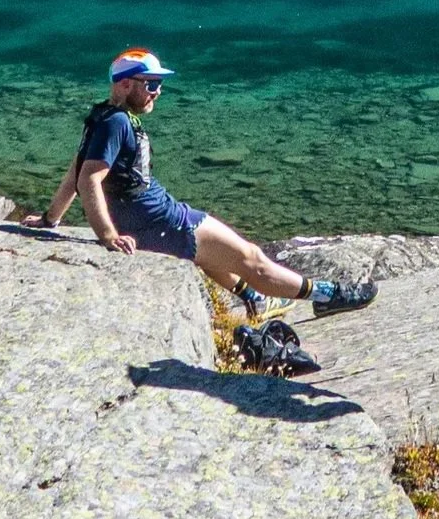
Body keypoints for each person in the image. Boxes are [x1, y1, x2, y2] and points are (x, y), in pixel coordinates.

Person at [24, 50, 370, 322]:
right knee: (252, 259)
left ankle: (253, 298)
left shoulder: (101, 117)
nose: (157, 93)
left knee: (209, 252)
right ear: (126, 84)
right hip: (162, 222)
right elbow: (88, 179)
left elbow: (75, 170)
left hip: (156, 218)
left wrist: (51, 219)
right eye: (151, 84)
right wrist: (108, 236)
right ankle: (328, 295)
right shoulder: (116, 124)